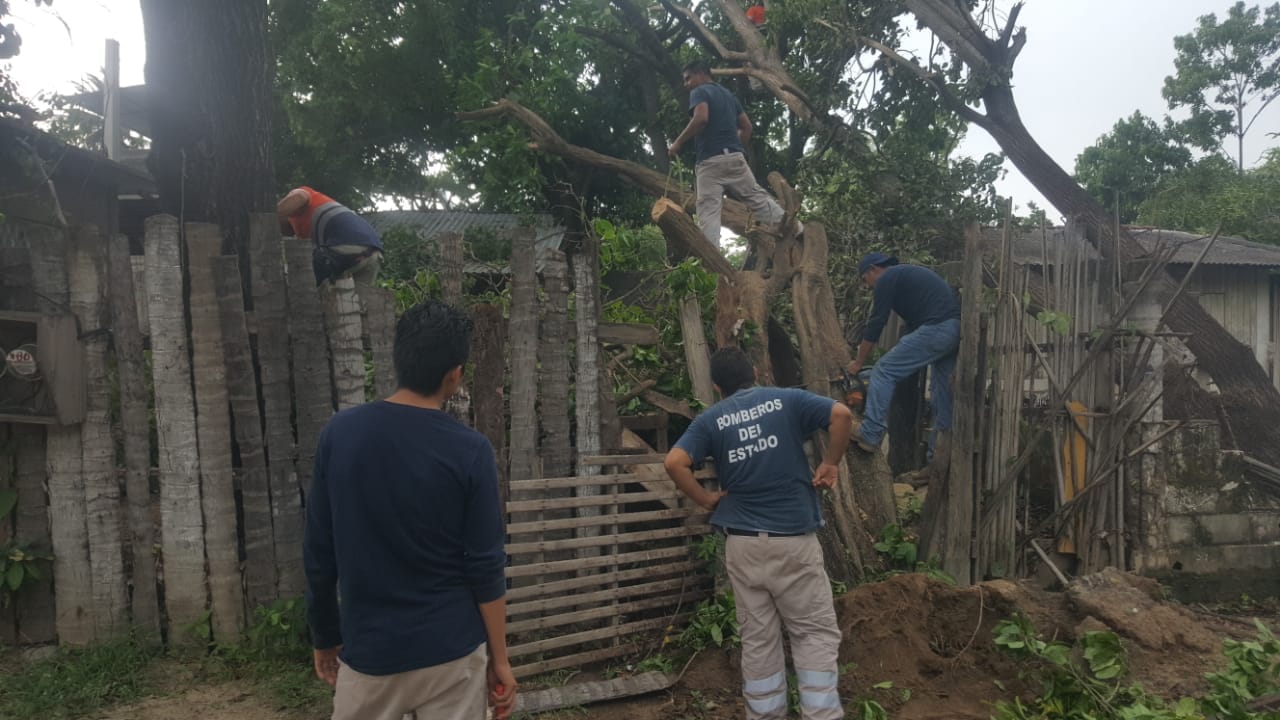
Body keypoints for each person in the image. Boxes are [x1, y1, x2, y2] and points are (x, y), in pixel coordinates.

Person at [303, 300, 517, 720]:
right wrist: (501, 658)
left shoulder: (340, 436)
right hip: (452, 654)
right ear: (454, 374)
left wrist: (325, 635)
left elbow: (319, 552)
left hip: (370, 655)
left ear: (397, 357)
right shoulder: (470, 450)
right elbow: (486, 565)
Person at [664, 347, 852, 720]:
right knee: (812, 634)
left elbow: (674, 462)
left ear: (717, 386)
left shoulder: (711, 419)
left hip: (743, 543)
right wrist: (830, 463)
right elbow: (841, 414)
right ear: (754, 370)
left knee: (758, 640)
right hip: (793, 542)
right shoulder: (786, 400)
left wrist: (706, 499)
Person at [667, 60, 796, 244]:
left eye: (688, 79)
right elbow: (747, 127)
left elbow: (701, 118)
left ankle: (711, 265)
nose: (686, 84)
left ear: (701, 74)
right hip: (735, 158)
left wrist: (677, 143)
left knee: (708, 211)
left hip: (710, 162)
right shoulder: (729, 96)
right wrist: (735, 149)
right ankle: (796, 229)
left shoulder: (700, 91)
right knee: (757, 198)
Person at [847, 252, 961, 455]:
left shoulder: (887, 278)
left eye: (866, 280)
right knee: (941, 395)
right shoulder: (905, 277)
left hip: (937, 328)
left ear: (873, 269)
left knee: (884, 371)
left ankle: (870, 433)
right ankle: (936, 458)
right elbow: (911, 329)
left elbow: (876, 323)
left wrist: (858, 362)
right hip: (953, 331)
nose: (868, 286)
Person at [277, 186, 384, 287]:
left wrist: (268, 217)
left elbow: (300, 197)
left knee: (298, 277)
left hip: (346, 245)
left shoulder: (304, 196)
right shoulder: (304, 229)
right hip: (374, 253)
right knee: (354, 303)